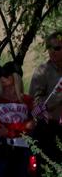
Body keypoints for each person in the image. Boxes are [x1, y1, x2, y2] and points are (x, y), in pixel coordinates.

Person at [29, 30, 62, 166]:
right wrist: (56, 99)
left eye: (57, 48)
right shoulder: (43, 71)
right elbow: (34, 103)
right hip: (49, 128)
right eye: (49, 47)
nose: (52, 51)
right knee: (47, 170)